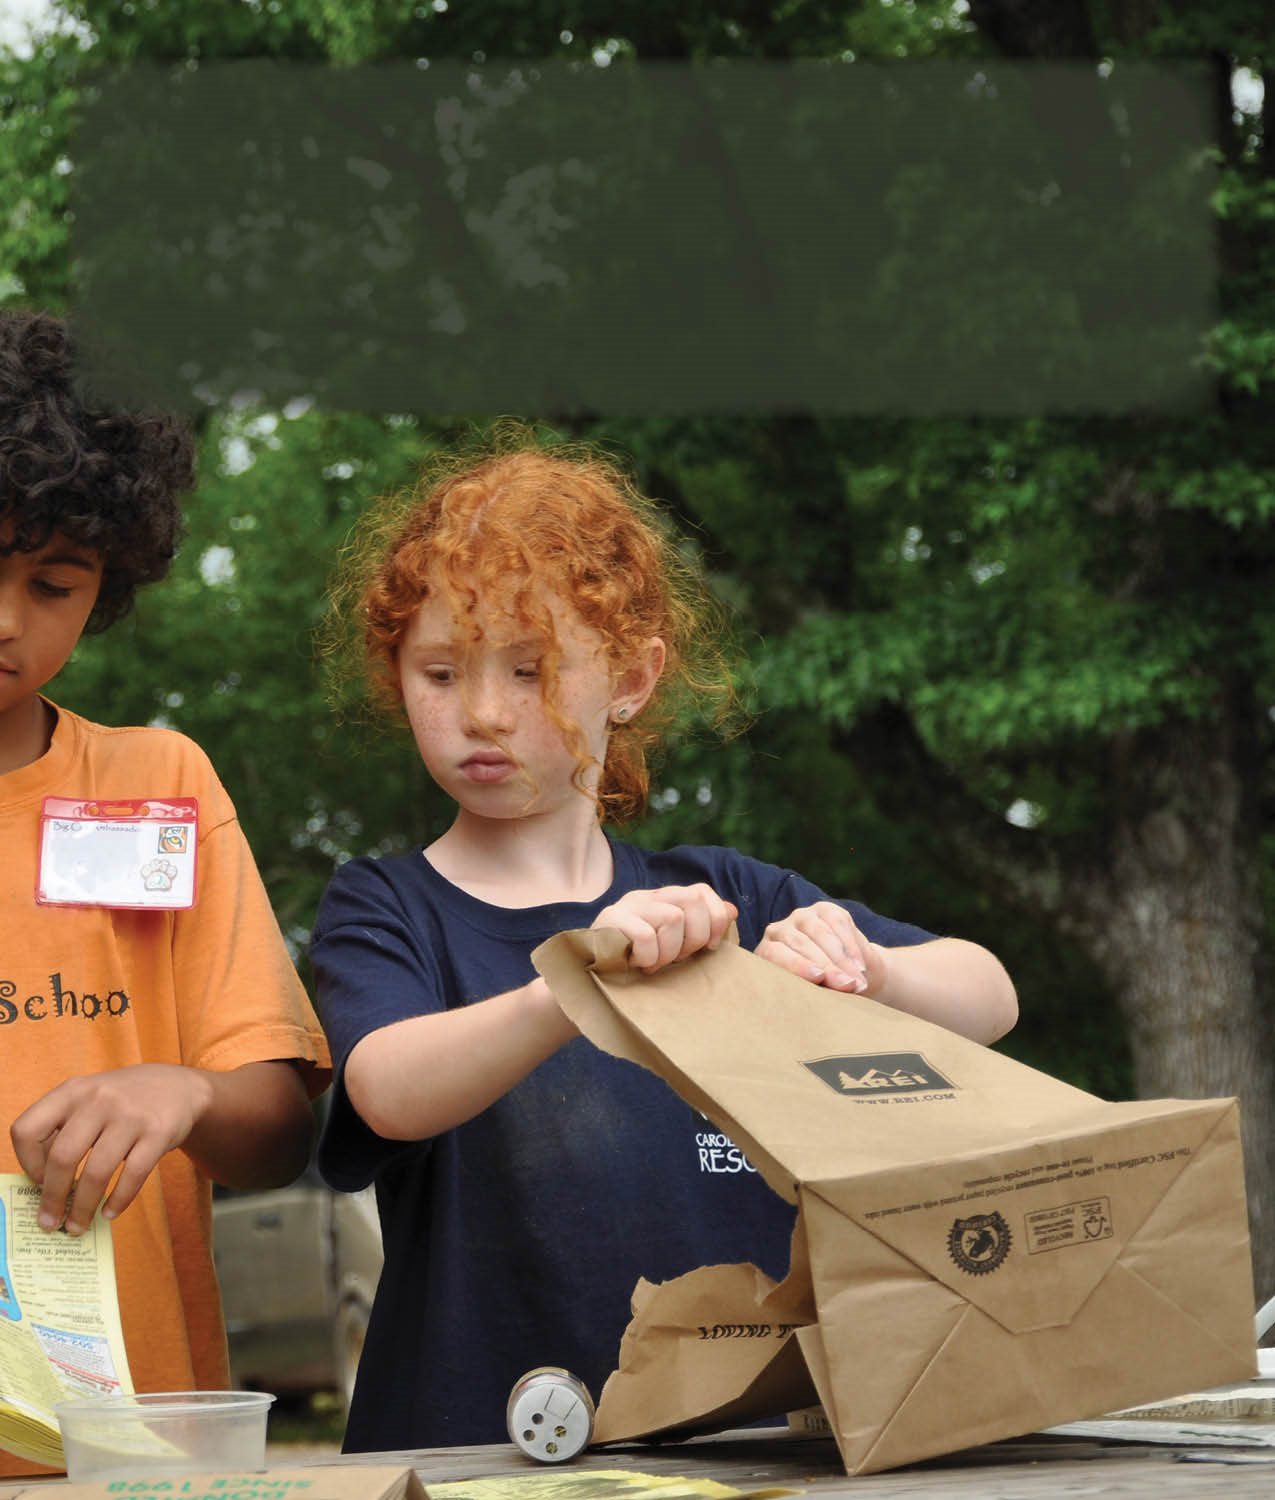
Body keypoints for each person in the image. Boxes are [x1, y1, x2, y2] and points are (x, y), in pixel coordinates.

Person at [313, 438, 1017, 1452]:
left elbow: (990, 996)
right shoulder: (384, 905)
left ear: (632, 679)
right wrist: (575, 981)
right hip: (473, 1451)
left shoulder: (726, 894)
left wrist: (872, 971)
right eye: (439, 671)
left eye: (531, 669)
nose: (481, 712)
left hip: (747, 1447)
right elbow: (386, 1086)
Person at [0, 310, 331, 1477]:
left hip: (132, 1454)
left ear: (109, 586)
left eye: (52, 581)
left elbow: (280, 1132)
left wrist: (182, 1093)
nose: (5, 618)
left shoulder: (159, 787)